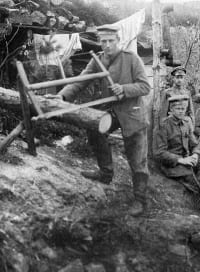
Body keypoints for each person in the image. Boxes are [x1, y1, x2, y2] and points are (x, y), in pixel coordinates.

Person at [51, 25, 151, 216]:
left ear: (118, 40)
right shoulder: (98, 59)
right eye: (103, 41)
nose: (106, 45)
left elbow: (145, 86)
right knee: (95, 127)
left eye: (110, 41)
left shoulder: (131, 58)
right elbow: (80, 81)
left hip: (132, 113)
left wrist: (125, 89)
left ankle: (140, 199)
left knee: (138, 159)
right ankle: (105, 173)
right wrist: (62, 97)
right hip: (112, 111)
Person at [155, 95, 200, 215]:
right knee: (192, 177)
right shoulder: (163, 126)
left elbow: (195, 144)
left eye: (183, 109)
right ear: (171, 110)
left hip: (188, 159)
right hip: (172, 164)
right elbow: (159, 153)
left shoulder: (186, 123)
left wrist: (195, 155)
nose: (181, 111)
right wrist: (180, 160)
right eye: (178, 109)